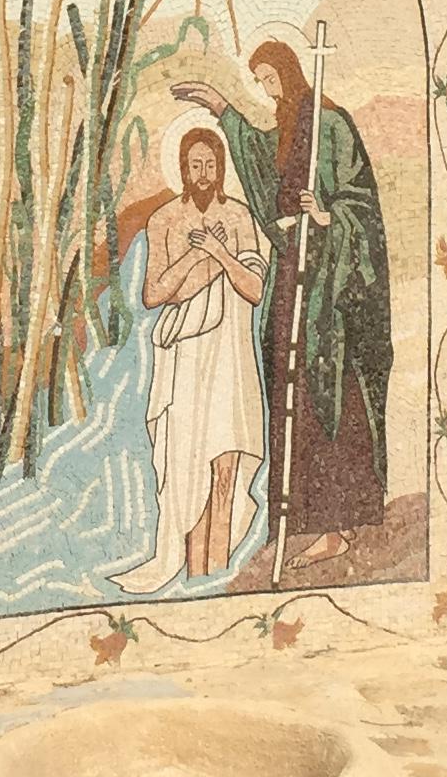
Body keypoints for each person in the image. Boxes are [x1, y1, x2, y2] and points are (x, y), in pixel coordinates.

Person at [170, 40, 391, 566]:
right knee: (288, 385)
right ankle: (302, 520)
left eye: (271, 81)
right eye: (262, 83)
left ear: (290, 75)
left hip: (330, 291)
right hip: (293, 273)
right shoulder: (290, 129)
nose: (269, 92)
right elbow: (262, 163)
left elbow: (364, 206)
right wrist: (221, 107)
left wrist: (328, 216)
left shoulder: (331, 125)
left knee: (329, 393)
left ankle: (338, 524)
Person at [114, 126, 269, 594]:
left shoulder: (239, 217)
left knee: (226, 464)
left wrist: (219, 251)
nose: (203, 174)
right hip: (185, 359)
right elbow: (154, 294)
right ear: (183, 169)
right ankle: (195, 573)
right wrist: (199, 258)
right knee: (189, 467)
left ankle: (214, 573)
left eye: (211, 165)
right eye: (195, 165)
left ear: (221, 169)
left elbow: (254, 289)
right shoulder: (164, 220)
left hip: (230, 355)